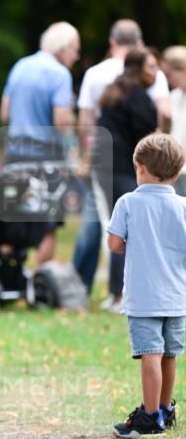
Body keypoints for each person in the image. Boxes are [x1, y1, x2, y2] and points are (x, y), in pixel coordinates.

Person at [73, 19, 171, 296]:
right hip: (133, 166)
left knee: (96, 224)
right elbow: (164, 117)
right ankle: (122, 291)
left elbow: (87, 122)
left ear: (112, 42)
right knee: (128, 226)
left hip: (103, 161)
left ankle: (79, 288)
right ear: (139, 45)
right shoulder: (149, 81)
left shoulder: (98, 76)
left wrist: (88, 158)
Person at [107, 133, 186, 438]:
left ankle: (150, 416)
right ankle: (165, 409)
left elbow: (114, 243)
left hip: (144, 296)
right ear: (177, 174)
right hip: (177, 296)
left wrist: (135, 244)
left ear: (139, 168)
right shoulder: (182, 206)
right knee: (169, 355)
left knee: (150, 353)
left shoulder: (128, 202)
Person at [0, 21, 79, 263]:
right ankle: (38, 284)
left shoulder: (20, 66)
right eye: (75, 50)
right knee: (47, 224)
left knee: (14, 219)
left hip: (15, 155)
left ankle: (8, 279)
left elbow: (5, 114)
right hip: (47, 157)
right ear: (63, 48)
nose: (76, 57)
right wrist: (72, 154)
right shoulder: (60, 74)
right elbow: (61, 121)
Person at [96, 49, 159, 311]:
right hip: (125, 169)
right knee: (131, 233)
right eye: (152, 67)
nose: (155, 73)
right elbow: (146, 139)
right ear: (138, 68)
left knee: (118, 229)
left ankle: (115, 293)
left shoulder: (114, 91)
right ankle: (123, 296)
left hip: (106, 168)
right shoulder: (138, 97)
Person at [162, 45, 186, 195]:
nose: (168, 80)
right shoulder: (173, 96)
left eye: (169, 74)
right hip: (176, 172)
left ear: (183, 69)